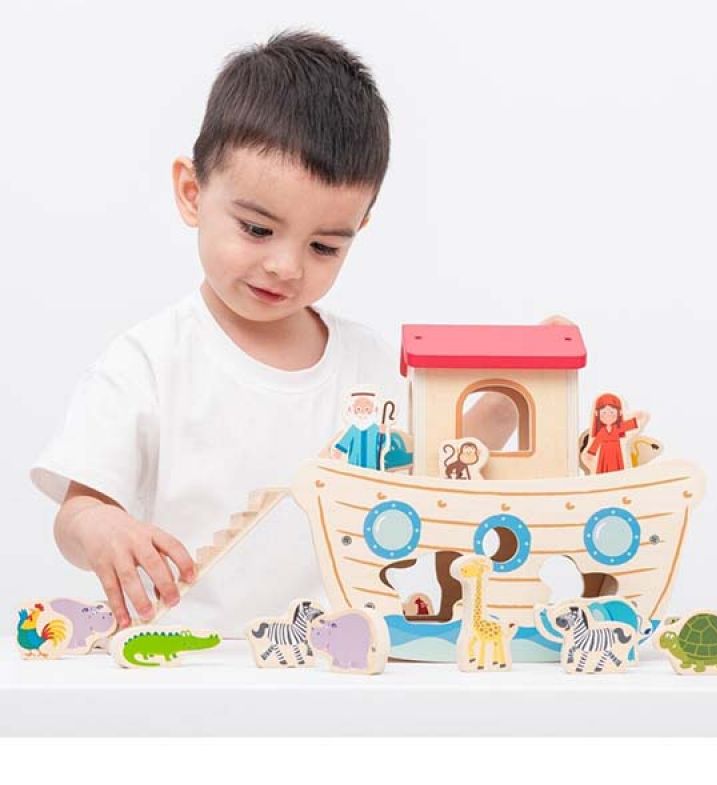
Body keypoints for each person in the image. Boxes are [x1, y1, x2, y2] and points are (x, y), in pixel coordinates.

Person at [30, 30, 519, 637]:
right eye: (258, 230)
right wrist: (101, 527)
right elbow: (77, 511)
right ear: (192, 192)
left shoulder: (370, 367)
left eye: (324, 246)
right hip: (190, 659)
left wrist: (504, 404)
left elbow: (434, 471)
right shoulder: (149, 362)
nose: (286, 266)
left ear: (360, 228)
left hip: (341, 659)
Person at [582, 393, 650, 474]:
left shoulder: (619, 428)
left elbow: (642, 418)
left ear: (619, 412)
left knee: (617, 475)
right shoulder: (601, 433)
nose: (608, 415)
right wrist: (591, 463)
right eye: (604, 413)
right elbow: (590, 452)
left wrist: (633, 415)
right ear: (597, 413)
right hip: (603, 462)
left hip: (617, 461)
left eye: (612, 412)